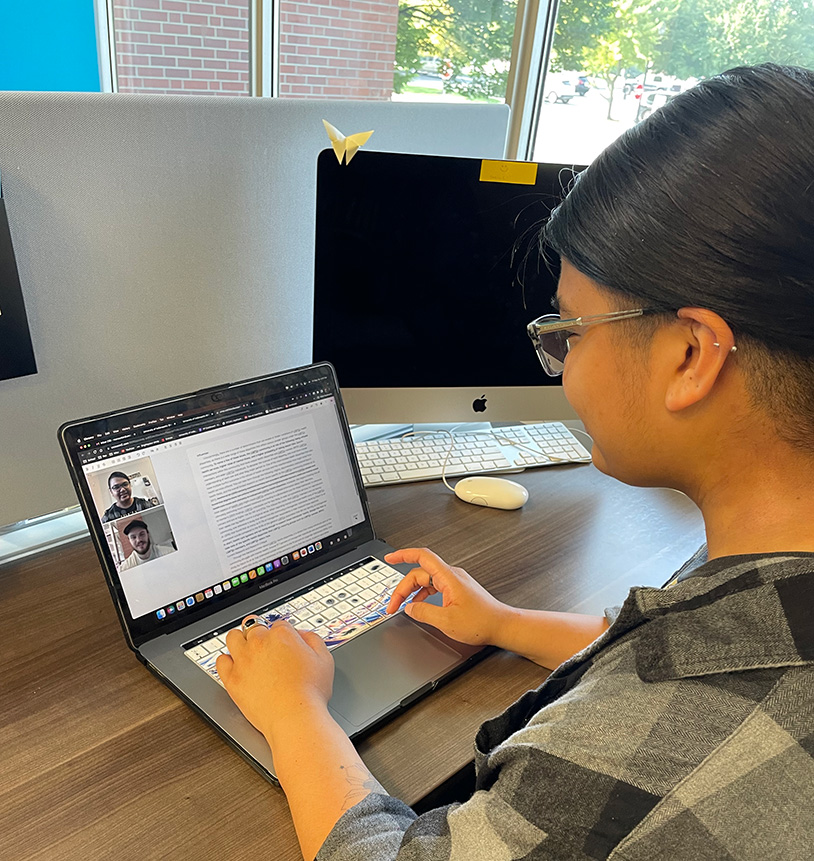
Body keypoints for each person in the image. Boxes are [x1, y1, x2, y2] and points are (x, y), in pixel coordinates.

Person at [215, 64, 814, 860]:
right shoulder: (770, 564)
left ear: (689, 354)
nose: (562, 366)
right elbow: (693, 637)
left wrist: (295, 709)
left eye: (570, 330)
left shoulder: (654, 742)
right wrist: (502, 622)